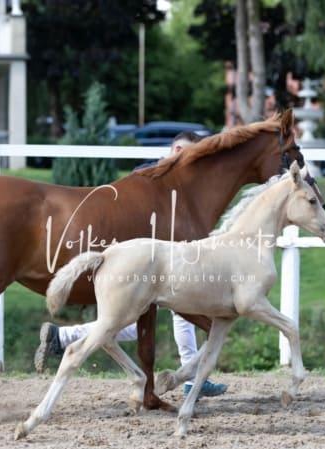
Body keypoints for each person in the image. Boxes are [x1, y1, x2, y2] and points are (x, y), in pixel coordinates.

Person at [35, 131, 228, 398]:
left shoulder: (177, 183)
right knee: (142, 316)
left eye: (190, 155)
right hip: (141, 260)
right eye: (181, 152)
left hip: (155, 260)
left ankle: (64, 337)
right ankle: (190, 377)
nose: (184, 159)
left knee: (138, 317)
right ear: (173, 150)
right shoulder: (150, 174)